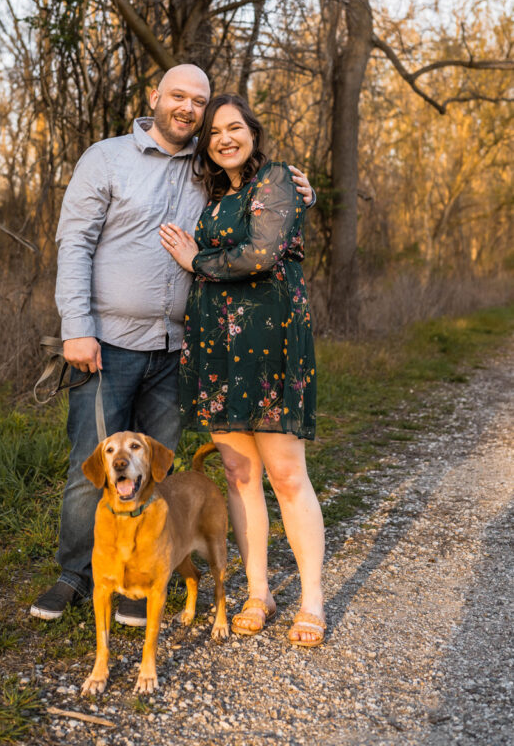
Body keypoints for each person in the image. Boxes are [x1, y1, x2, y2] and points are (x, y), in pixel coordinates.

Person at [30, 67, 315, 628]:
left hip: (179, 349)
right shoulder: (106, 158)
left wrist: (298, 189)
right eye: (178, 96)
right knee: (92, 464)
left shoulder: (207, 170)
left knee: (154, 470)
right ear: (154, 97)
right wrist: (76, 327)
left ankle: (144, 574)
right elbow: (75, 242)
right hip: (106, 342)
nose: (187, 108)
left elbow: (259, 209)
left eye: (199, 102)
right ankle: (75, 573)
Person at [160, 93, 325, 646]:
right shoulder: (213, 199)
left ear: (253, 133)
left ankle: (313, 600)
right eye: (214, 133)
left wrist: (195, 261)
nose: (225, 138)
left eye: (235, 128)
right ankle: (258, 592)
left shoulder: (276, 181)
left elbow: (261, 254)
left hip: (271, 346)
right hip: (218, 350)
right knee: (239, 476)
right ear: (205, 146)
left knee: (285, 475)